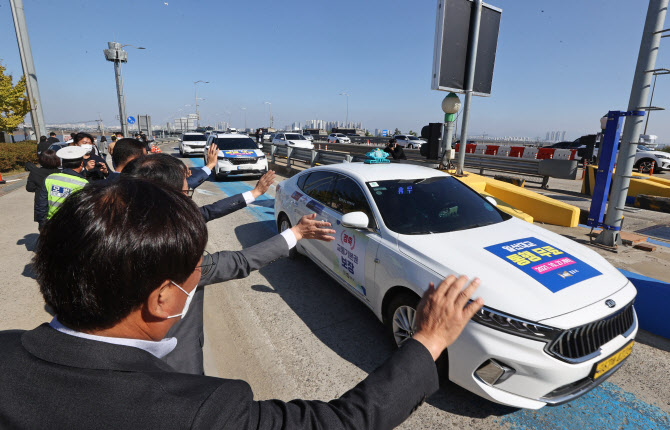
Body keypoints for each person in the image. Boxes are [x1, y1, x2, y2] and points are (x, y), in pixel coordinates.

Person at [0, 177, 484, 429]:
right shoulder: (195, 412)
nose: (203, 274)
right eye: (195, 272)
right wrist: (429, 339)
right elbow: (342, 422)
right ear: (164, 299)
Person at [122, 154, 334, 374]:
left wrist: (254, 193)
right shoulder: (172, 256)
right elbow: (239, 261)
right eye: (186, 192)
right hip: (175, 373)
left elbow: (208, 211)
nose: (189, 200)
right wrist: (296, 233)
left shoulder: (120, 228)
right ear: (166, 196)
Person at [35, 146, 89, 229]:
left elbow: (41, 205)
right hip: (72, 227)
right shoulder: (84, 184)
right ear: (82, 163)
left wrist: (42, 224)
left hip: (51, 223)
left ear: (62, 164)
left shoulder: (50, 178)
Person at [25, 149, 61, 226]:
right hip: (57, 202)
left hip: (41, 203)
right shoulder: (60, 173)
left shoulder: (35, 172)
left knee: (43, 227)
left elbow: (29, 188)